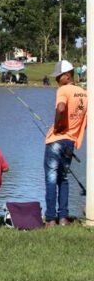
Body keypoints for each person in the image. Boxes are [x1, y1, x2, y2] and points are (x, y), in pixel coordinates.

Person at [44, 60, 88, 227]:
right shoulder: (84, 93)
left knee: (51, 178)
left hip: (56, 140)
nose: (56, 80)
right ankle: (63, 218)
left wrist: (58, 126)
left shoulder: (63, 90)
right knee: (64, 178)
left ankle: (50, 219)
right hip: (70, 142)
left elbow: (61, 108)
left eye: (58, 77)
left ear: (67, 76)